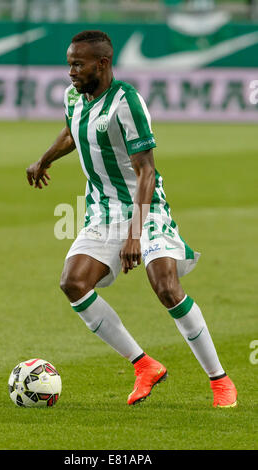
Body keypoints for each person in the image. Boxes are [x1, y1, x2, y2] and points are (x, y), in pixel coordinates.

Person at [26, 30, 237, 408]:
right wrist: (44, 158)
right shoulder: (73, 96)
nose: (70, 70)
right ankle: (144, 365)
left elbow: (147, 171)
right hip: (102, 211)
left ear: (102, 63)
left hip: (146, 208)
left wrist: (135, 235)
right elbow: (74, 133)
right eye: (69, 62)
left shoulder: (127, 102)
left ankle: (220, 382)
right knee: (73, 283)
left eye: (78, 63)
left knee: (166, 286)